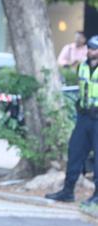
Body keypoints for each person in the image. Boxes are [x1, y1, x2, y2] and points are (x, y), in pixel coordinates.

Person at [46, 35, 98, 205]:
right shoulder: (82, 66)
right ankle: (68, 191)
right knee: (74, 152)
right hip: (84, 117)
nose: (91, 51)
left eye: (95, 48)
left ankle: (97, 196)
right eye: (90, 48)